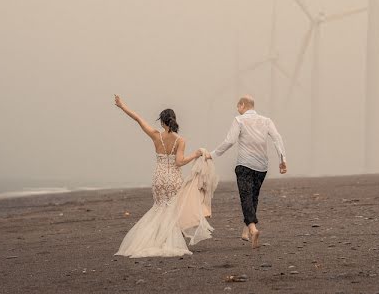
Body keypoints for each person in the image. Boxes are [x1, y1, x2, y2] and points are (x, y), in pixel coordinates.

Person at [113, 95, 217, 258]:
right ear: (173, 120)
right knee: (173, 211)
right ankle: (170, 241)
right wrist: (196, 154)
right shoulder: (180, 140)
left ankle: (155, 240)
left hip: (159, 178)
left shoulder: (156, 135)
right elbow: (180, 162)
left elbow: (138, 118)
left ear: (162, 122)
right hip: (173, 178)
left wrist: (122, 105)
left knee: (159, 208)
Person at [205, 95, 286, 248]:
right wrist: (283, 159)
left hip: (245, 164)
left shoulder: (239, 120)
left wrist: (213, 154)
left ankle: (253, 229)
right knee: (253, 197)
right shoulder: (266, 120)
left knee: (246, 197)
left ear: (242, 105)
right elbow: (277, 138)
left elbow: (230, 141)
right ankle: (246, 230)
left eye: (238, 106)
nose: (237, 109)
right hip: (262, 166)